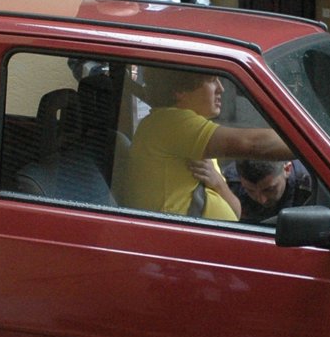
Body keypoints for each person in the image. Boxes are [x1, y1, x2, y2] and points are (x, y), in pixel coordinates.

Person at [122, 67, 291, 221]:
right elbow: (253, 144)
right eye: (211, 81)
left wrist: (217, 183)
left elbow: (236, 211)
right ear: (180, 90)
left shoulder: (194, 140)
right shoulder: (171, 123)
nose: (221, 88)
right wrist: (307, 145)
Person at [221, 158, 315, 222]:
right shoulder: (230, 184)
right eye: (250, 191)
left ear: (287, 169)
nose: (262, 199)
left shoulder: (313, 184)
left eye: (269, 189)